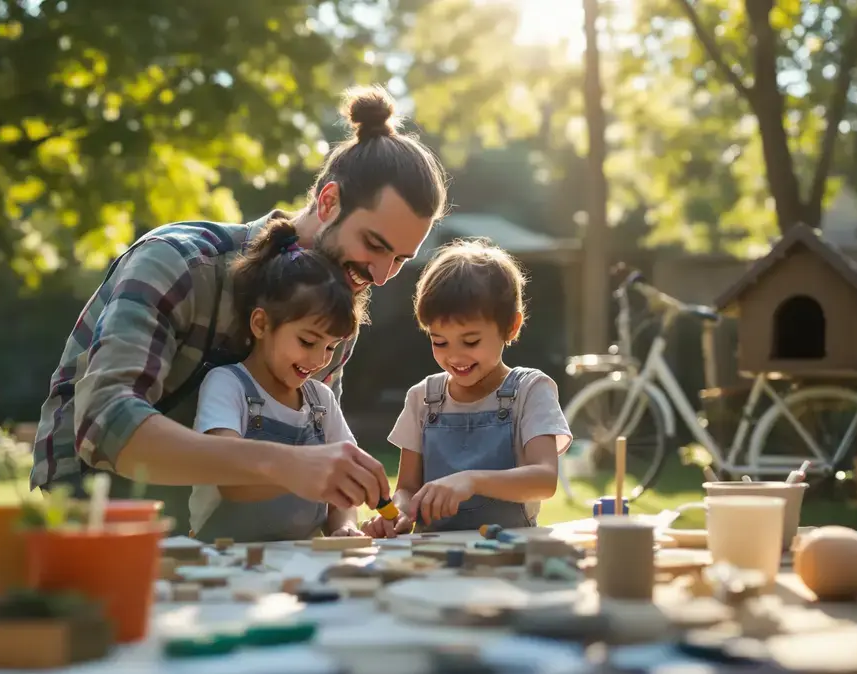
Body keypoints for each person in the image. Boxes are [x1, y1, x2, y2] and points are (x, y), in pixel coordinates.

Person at [29, 85, 450, 536]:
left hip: (220, 532)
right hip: (96, 509)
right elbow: (106, 423)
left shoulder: (338, 313)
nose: (383, 275)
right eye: (374, 245)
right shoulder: (179, 263)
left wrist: (341, 511)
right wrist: (281, 464)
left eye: (401, 260)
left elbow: (314, 443)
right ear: (328, 202)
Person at [362, 239, 572, 536]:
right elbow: (408, 489)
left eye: (471, 341)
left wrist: (471, 481)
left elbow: (544, 479)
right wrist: (398, 514)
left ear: (511, 327)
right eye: (439, 342)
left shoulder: (530, 390)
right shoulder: (422, 398)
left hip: (507, 556)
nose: (455, 357)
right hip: (434, 557)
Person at [189, 220, 369, 542]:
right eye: (307, 341)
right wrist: (308, 470)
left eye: (330, 346)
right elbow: (231, 477)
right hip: (227, 561)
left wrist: (345, 525)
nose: (319, 360)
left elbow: (343, 487)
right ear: (261, 324)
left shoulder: (321, 401)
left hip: (300, 562)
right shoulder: (227, 385)